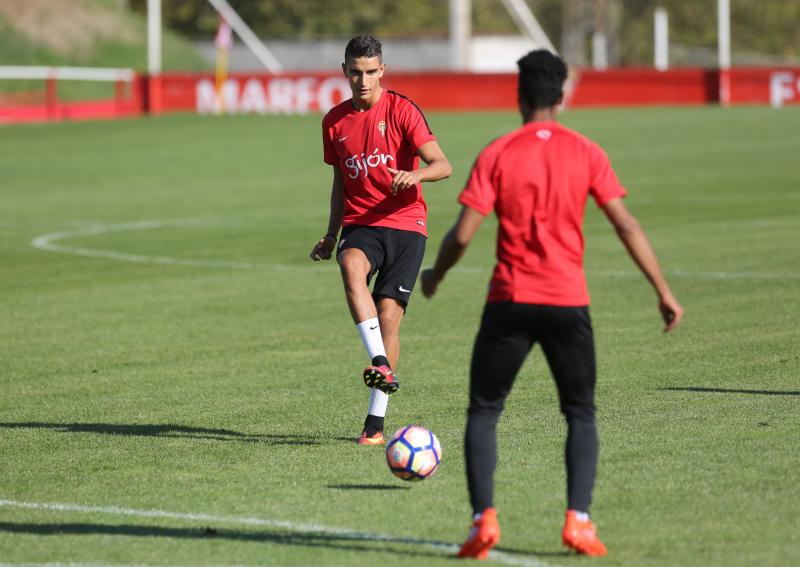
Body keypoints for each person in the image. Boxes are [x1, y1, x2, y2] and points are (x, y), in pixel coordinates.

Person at [420, 49, 683, 558]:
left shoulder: (498, 152)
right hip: (567, 301)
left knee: (485, 410)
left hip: (510, 300)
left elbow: (464, 233)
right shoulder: (586, 151)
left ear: (518, 96)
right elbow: (626, 224)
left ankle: (483, 522)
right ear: (561, 96)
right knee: (580, 412)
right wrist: (663, 291)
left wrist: (437, 273)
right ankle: (579, 522)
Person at [310, 34, 452, 446]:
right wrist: (332, 233)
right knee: (349, 263)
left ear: (382, 71)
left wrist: (417, 174)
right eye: (356, 72)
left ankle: (374, 424)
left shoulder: (403, 110)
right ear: (344, 72)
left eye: (371, 72)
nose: (363, 81)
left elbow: (443, 164)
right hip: (361, 225)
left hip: (407, 224)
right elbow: (340, 181)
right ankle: (378, 360)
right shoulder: (334, 121)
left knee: (389, 317)